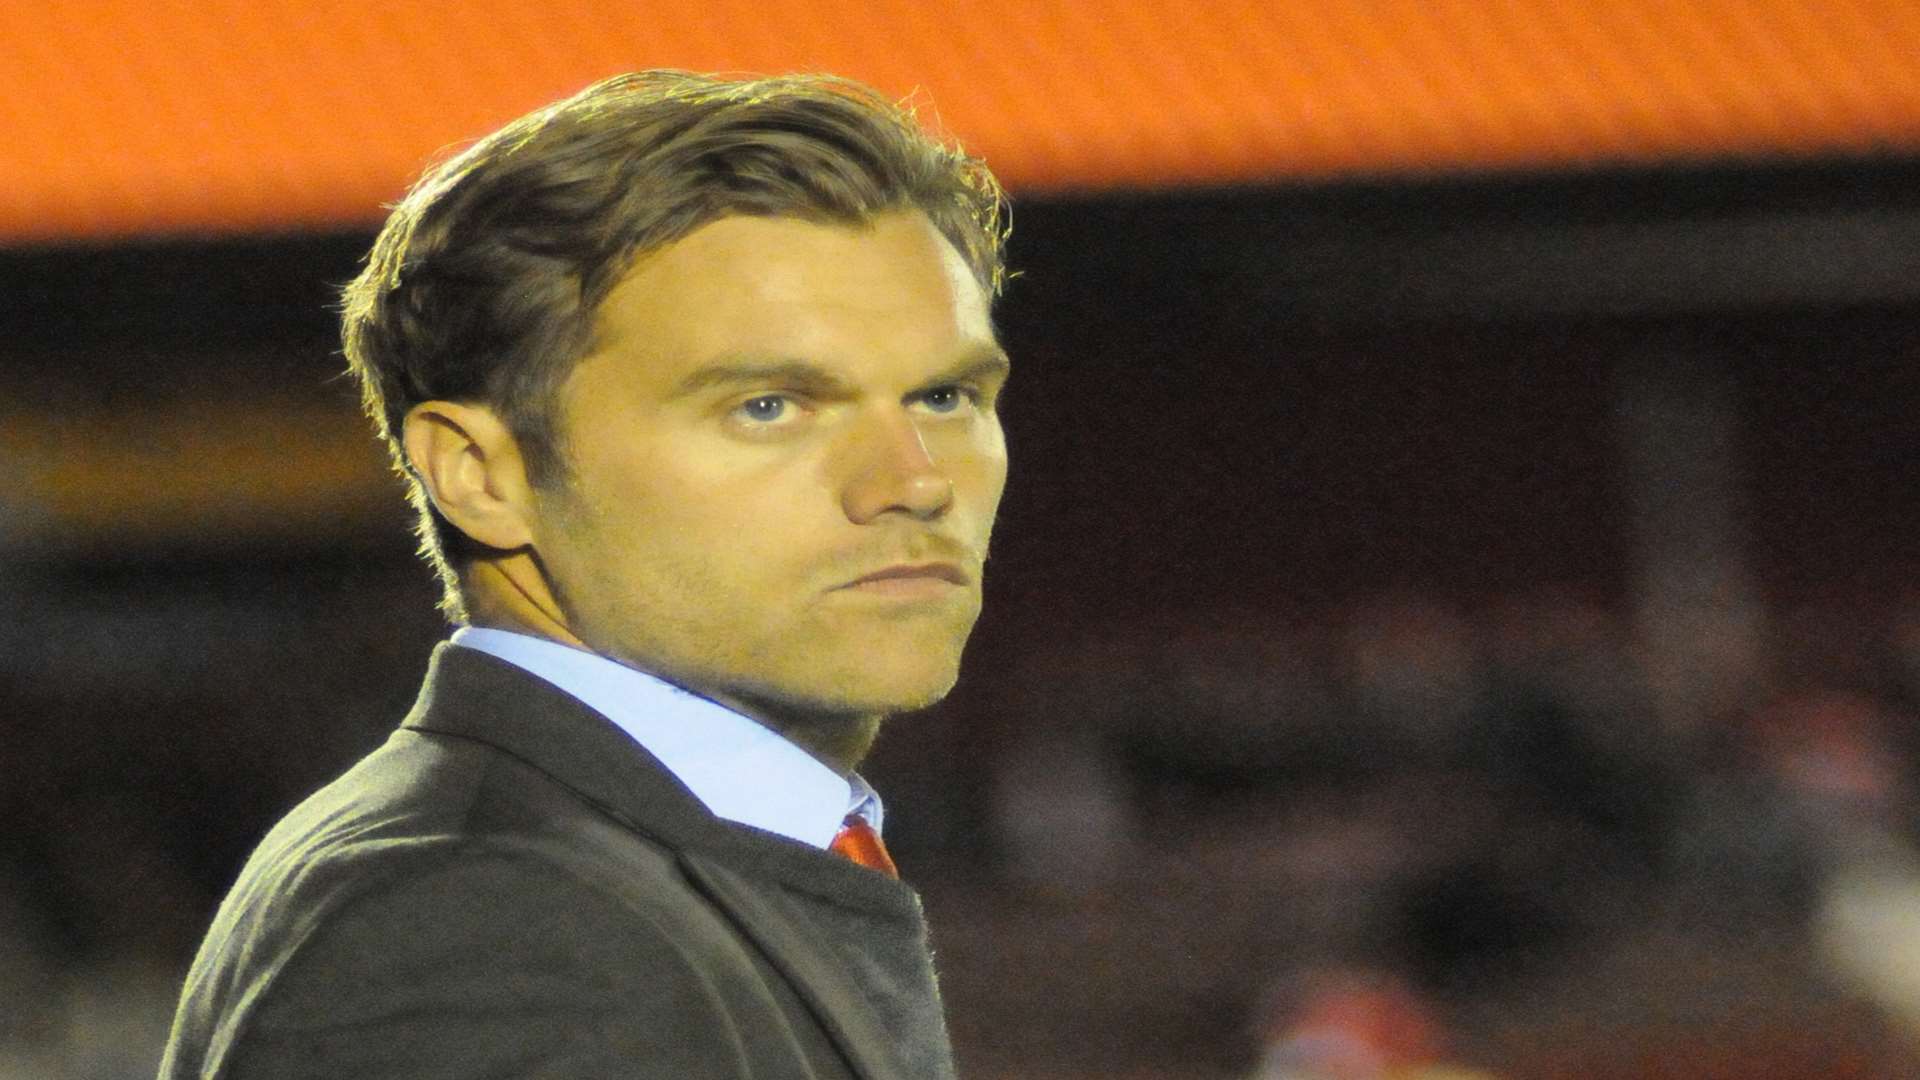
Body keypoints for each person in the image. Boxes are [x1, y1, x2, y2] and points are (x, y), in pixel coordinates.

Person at [160, 69, 1011, 1079]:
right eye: (770, 406)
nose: (912, 480)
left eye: (947, 395)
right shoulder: (486, 929)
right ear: (480, 474)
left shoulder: (584, 874)